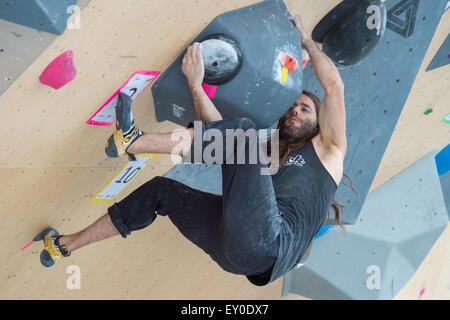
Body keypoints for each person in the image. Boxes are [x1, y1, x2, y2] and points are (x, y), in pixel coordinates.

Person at [35, 14, 348, 286]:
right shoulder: (268, 158)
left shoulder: (329, 149)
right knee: (163, 192)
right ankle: (61, 246)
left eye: (306, 109)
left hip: (268, 243)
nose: (296, 111)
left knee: (242, 134)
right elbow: (218, 136)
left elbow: (334, 84)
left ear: (321, 124)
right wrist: (196, 86)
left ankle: (132, 140)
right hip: (239, 254)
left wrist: (306, 40)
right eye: (293, 106)